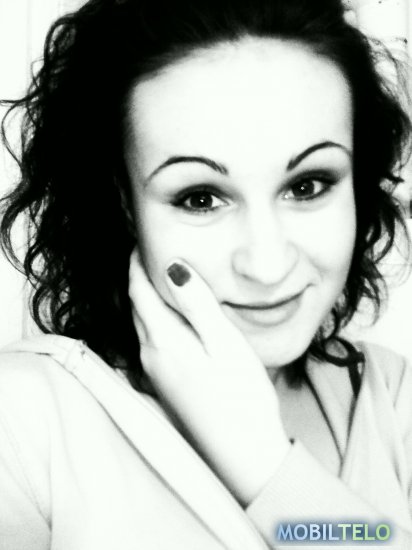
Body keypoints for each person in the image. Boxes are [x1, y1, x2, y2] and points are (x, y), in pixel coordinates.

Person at [0, 0, 412, 548]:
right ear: (125, 202)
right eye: (200, 198)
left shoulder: (392, 396)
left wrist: (265, 469)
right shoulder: (21, 420)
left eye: (307, 185)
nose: (267, 266)